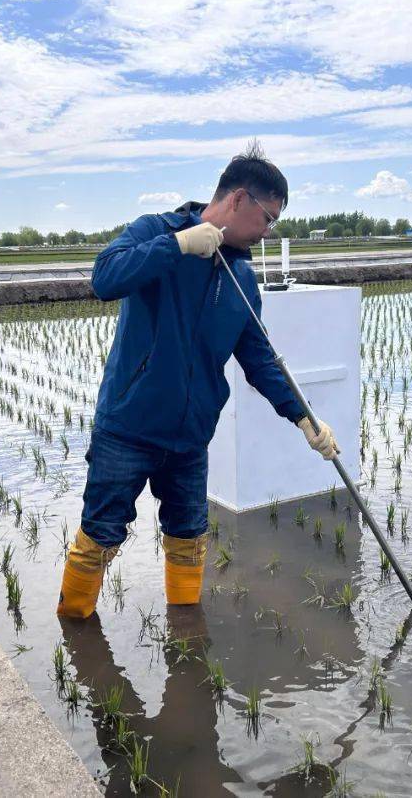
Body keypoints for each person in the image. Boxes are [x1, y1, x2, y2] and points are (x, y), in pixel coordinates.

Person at [56, 142, 340, 619]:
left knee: (189, 538)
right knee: (100, 533)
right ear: (238, 200)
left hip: (190, 439)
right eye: (267, 218)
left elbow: (260, 357)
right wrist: (179, 245)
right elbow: (104, 279)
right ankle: (74, 624)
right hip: (129, 429)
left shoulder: (242, 277)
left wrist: (303, 417)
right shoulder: (156, 231)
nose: (268, 232)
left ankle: (184, 636)